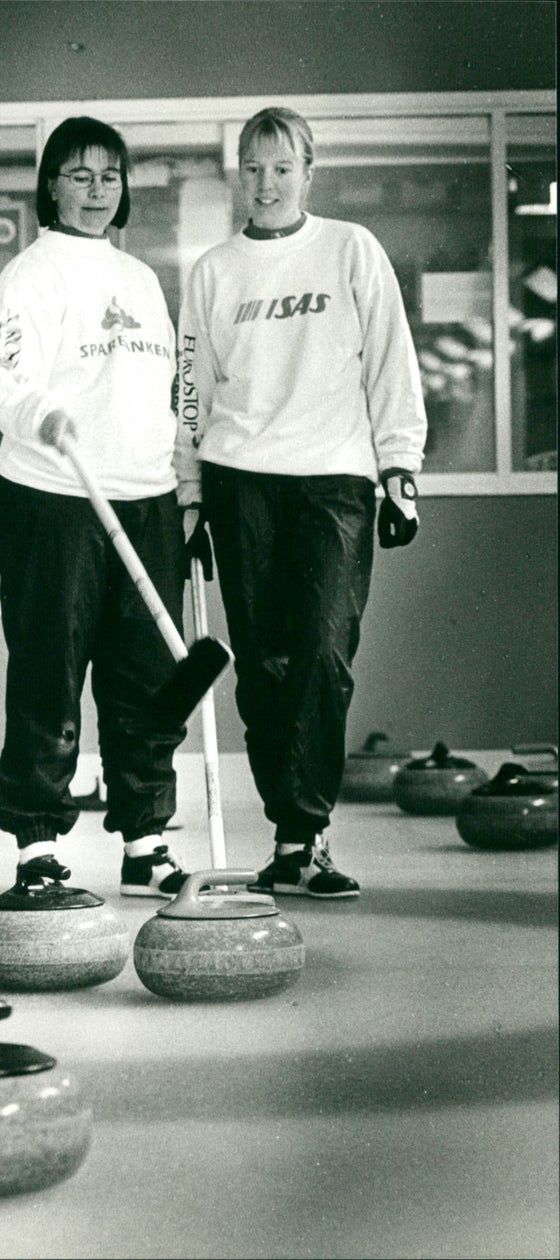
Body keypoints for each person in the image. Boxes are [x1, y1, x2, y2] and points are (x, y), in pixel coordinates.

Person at [176, 106, 427, 899]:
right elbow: (192, 395)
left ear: (309, 173)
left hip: (334, 478)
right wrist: (189, 499)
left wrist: (400, 470)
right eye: (253, 168)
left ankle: (309, 830)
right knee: (264, 666)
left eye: (282, 167)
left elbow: (391, 362)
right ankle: (290, 837)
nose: (267, 183)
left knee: (322, 652)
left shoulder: (352, 249)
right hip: (238, 478)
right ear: (237, 176)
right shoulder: (214, 271)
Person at [0, 116, 191, 898]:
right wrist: (42, 414)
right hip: (54, 494)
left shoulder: (140, 281)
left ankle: (146, 841)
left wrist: (178, 483)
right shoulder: (27, 277)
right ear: (51, 186)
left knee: (143, 677)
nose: (97, 191)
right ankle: (36, 846)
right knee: (49, 668)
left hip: (143, 495)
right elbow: (0, 379)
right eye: (80, 175)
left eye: (110, 176)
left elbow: (167, 394)